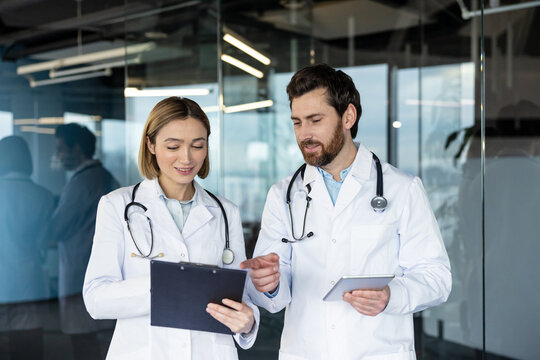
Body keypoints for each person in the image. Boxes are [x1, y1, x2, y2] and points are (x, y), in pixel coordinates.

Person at [241, 64, 451, 359]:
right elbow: (274, 292)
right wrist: (269, 284)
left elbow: (437, 278)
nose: (304, 134)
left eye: (315, 120)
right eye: (297, 122)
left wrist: (393, 296)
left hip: (378, 351)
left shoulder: (402, 189)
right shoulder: (283, 195)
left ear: (348, 116)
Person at [83, 97, 259, 359]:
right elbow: (96, 299)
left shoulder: (226, 212)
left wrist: (248, 323)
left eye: (197, 145)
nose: (186, 158)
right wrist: (166, 284)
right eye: (173, 146)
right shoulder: (116, 206)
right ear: (151, 144)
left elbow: (240, 297)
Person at [51, 123, 119, 359]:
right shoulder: (107, 177)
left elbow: (57, 228)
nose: (58, 155)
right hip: (106, 269)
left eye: (61, 149)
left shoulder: (80, 182)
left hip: (79, 269)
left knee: (82, 338)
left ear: (77, 148)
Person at [0, 135, 55, 360]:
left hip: (2, 280)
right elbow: (44, 242)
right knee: (28, 347)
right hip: (29, 280)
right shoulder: (44, 196)